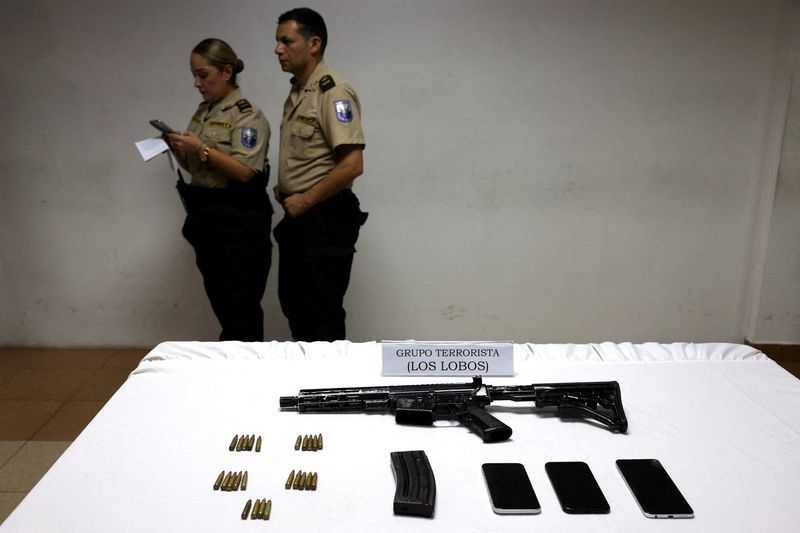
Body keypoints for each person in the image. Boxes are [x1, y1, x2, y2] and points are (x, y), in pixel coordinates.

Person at [165, 38, 273, 341]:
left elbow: (246, 172)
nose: (196, 83)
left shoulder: (247, 115)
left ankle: (247, 370)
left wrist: (201, 148)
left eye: (203, 74)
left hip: (239, 222)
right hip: (207, 219)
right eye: (194, 74)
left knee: (242, 305)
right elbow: (197, 169)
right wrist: (176, 149)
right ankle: (230, 366)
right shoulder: (204, 112)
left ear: (227, 72)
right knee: (222, 301)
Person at [272, 8, 368, 342]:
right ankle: (306, 387)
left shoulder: (333, 92)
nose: (277, 49)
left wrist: (305, 198)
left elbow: (352, 165)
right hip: (300, 218)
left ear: (314, 44)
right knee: (297, 309)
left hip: (323, 219)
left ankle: (330, 391)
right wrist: (286, 186)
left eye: (287, 41)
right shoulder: (299, 91)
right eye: (277, 41)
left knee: (321, 316)